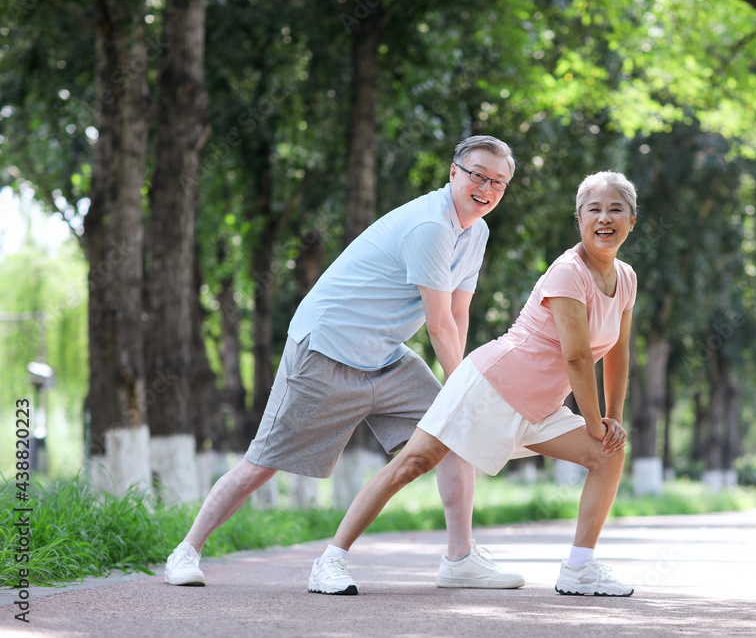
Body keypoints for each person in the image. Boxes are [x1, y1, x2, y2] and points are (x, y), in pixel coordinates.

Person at [164, 135, 525, 594]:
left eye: (498, 181)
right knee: (264, 461)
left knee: (453, 435)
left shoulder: (476, 232)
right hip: (325, 351)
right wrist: (465, 389)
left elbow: (458, 314)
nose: (486, 187)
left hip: (386, 358)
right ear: (454, 172)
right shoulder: (430, 226)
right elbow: (437, 326)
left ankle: (460, 559)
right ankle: (186, 550)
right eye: (477, 174)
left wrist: (462, 393)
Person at [322, 170, 638, 597]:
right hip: (490, 385)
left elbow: (617, 351)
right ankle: (331, 560)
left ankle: (579, 569)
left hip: (540, 407)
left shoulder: (626, 278)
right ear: (578, 218)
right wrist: (594, 420)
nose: (604, 218)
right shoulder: (568, 272)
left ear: (631, 221)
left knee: (608, 455)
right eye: (593, 210)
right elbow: (578, 357)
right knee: (411, 464)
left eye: (615, 209)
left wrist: (613, 418)